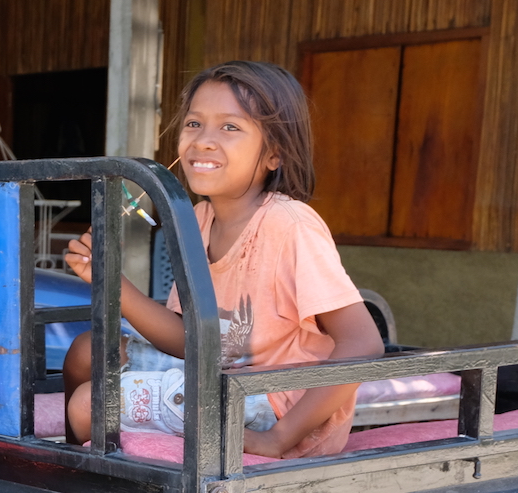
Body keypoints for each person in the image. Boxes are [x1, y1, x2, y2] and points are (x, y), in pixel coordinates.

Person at [62, 60, 384, 459]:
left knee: (90, 404)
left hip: (275, 405)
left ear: (274, 154)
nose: (203, 141)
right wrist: (109, 279)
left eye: (230, 127)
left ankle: (98, 481)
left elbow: (363, 342)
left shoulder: (290, 225)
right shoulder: (197, 219)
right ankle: (77, 472)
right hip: (220, 376)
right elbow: (189, 341)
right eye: (194, 123)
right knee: (86, 351)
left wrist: (278, 438)